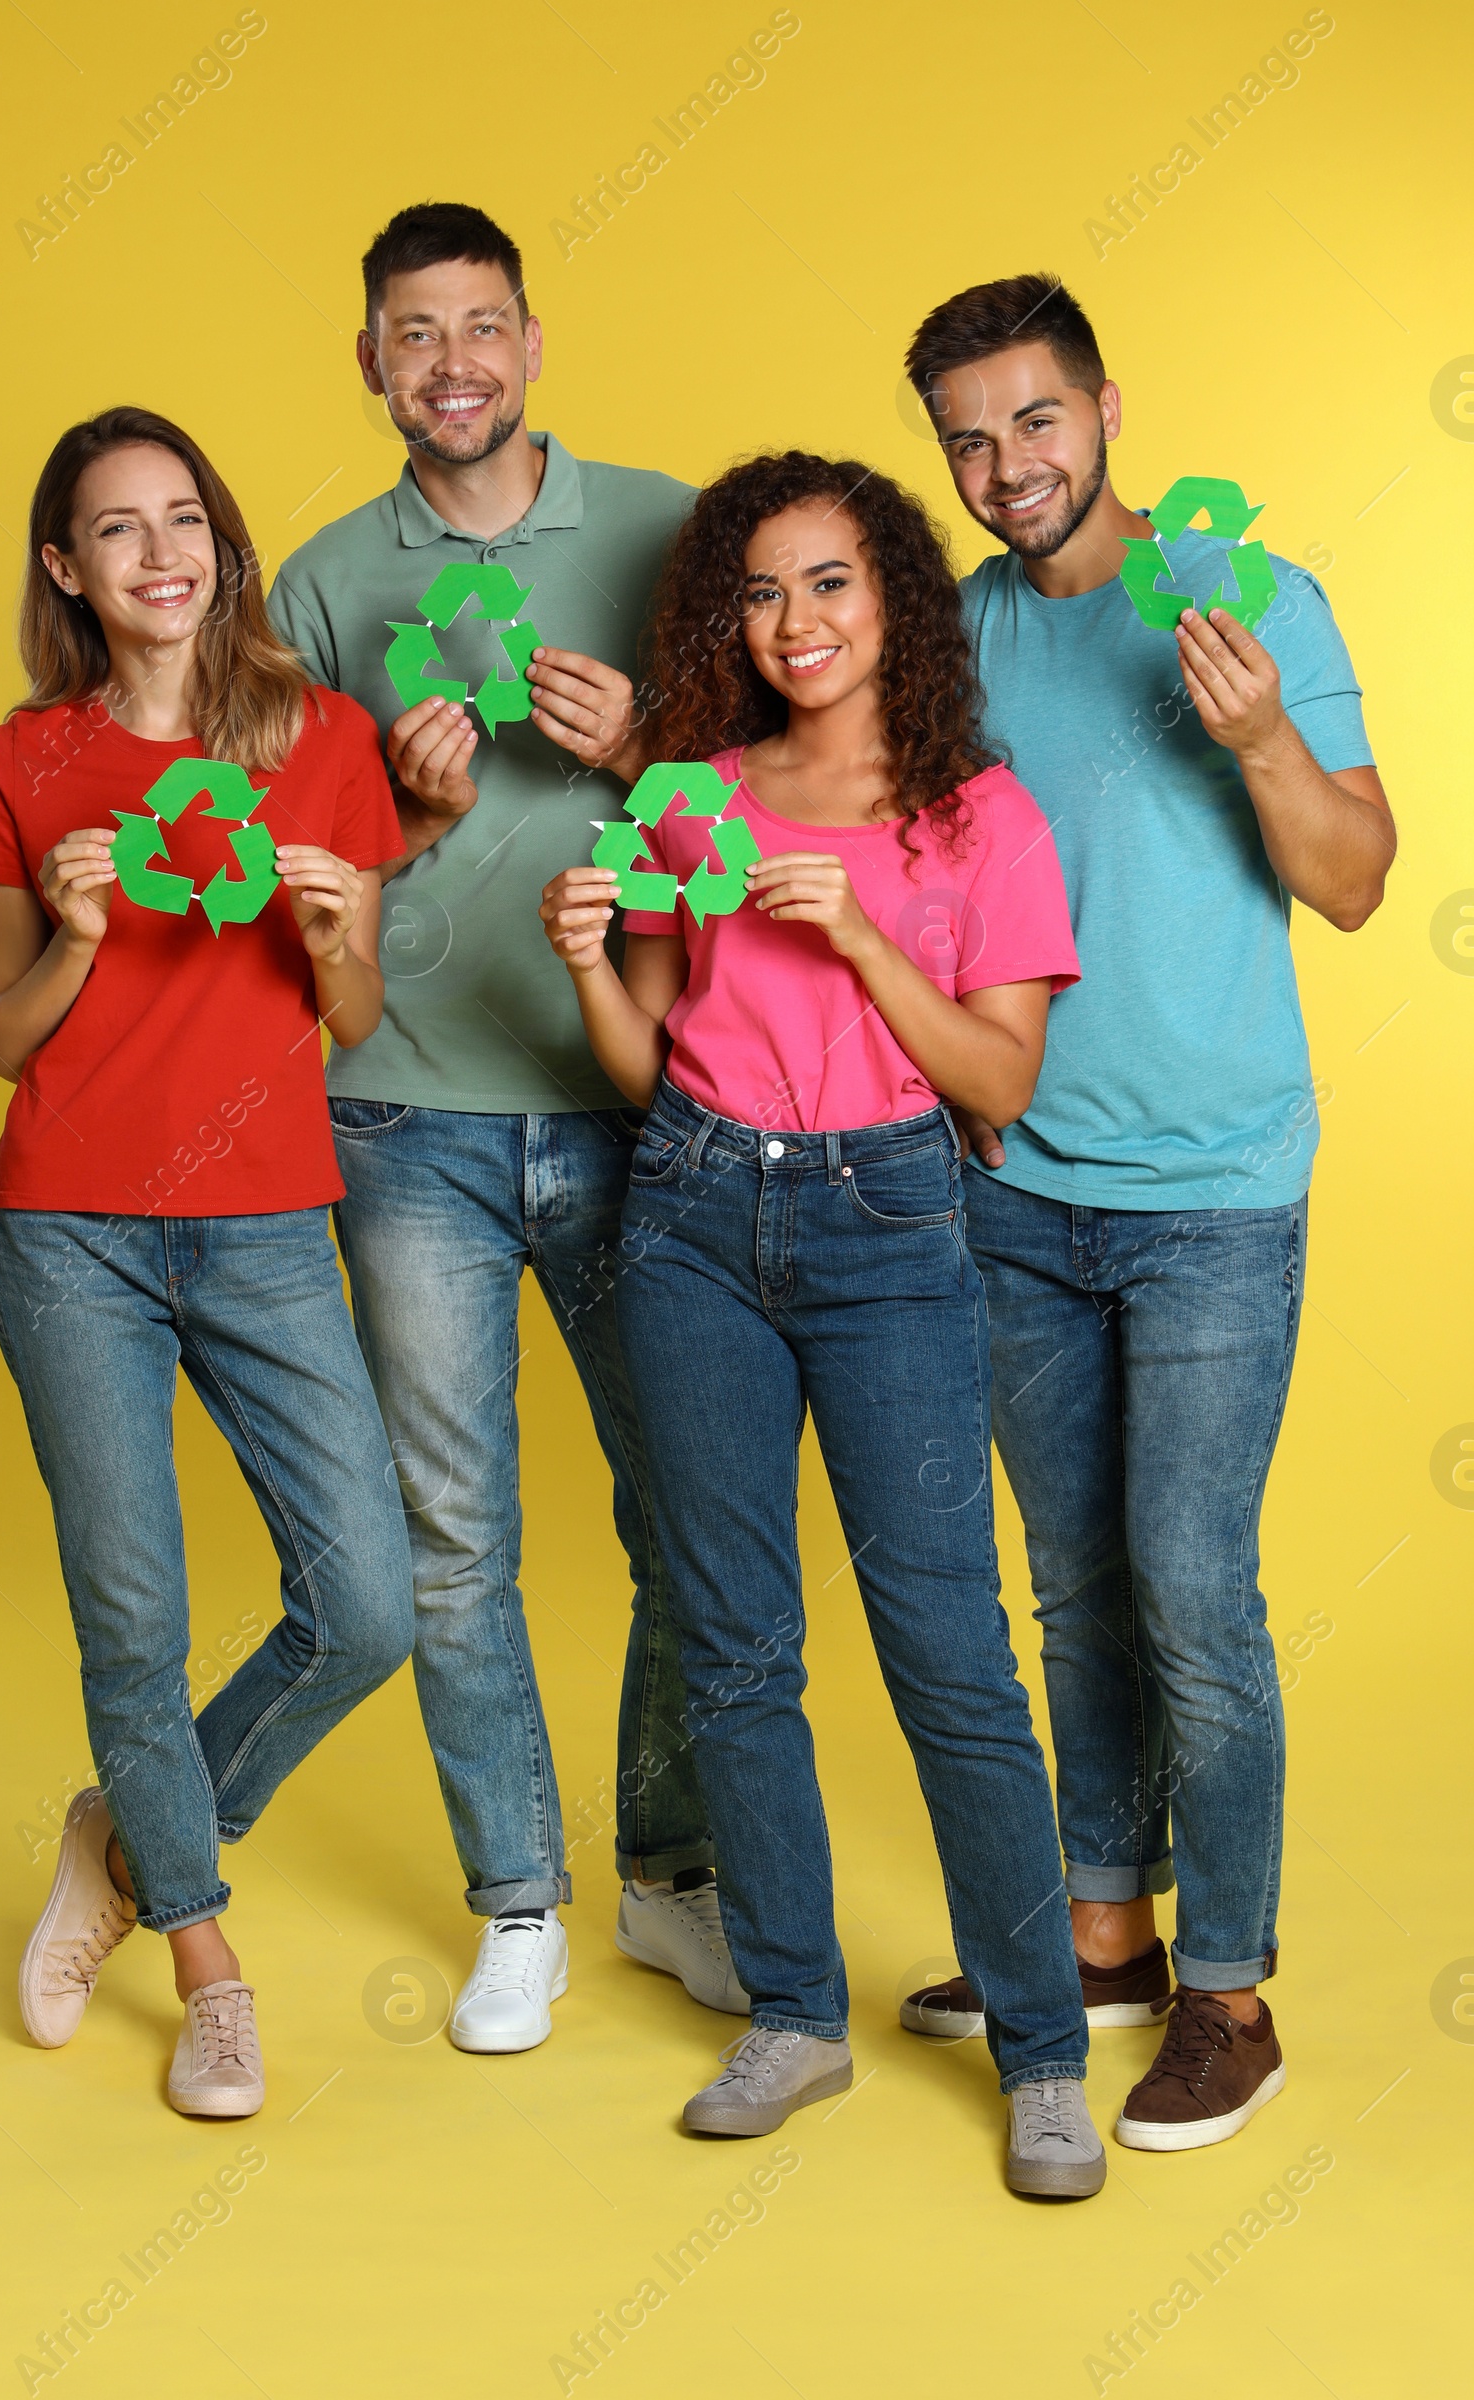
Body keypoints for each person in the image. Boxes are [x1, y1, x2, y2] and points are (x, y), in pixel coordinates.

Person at [539, 451, 1107, 2199]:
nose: (798, 624)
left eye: (833, 584)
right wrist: (583, 955)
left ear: (898, 605)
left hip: (891, 1222)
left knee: (947, 1653)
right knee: (731, 1637)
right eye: (765, 592)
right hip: (697, 1214)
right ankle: (793, 2008)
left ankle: (1043, 2053)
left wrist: (864, 937)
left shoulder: (977, 818)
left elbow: (1000, 1083)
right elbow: (639, 1066)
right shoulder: (688, 799)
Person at [898, 275, 1394, 2150]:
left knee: (1195, 1589)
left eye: (1034, 421)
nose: (1006, 465)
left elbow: (1354, 883)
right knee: (1077, 1587)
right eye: (967, 438)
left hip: (1212, 1196)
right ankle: (1103, 1929)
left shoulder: (1248, 600)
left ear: (1107, 406)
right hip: (1013, 1184)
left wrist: (1262, 738)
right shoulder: (950, 638)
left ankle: (1231, 1988)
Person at [267, 200, 739, 2054]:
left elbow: (778, 788)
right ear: (371, 361)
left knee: (688, 1510)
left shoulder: (669, 531)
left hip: (648, 1103)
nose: (450, 361)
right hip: (407, 1122)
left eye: (483, 326)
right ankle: (518, 1901)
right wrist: (397, 810)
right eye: (412, 332)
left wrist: (640, 752)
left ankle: (667, 1871)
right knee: (453, 1536)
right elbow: (279, 886)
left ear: (532, 342)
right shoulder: (317, 585)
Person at [0, 406, 416, 2116]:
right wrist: (72, 933)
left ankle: (126, 1840)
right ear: (69, 570)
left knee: (367, 1604)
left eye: (183, 520)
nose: (160, 555)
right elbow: (4, 1041)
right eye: (116, 531)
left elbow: (349, 1018)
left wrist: (332, 931)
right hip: (70, 1229)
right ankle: (205, 1957)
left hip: (270, 1221)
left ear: (220, 543)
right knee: (130, 1613)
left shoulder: (325, 742)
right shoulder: (25, 761)